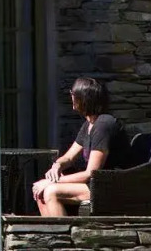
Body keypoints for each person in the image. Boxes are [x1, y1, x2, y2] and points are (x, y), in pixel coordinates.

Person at [32, 76, 132, 215]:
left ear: (84, 98)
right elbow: (69, 157)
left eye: (73, 93)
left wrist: (52, 182)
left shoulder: (103, 125)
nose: (71, 96)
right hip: (95, 185)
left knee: (51, 191)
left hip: (110, 187)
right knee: (40, 192)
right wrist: (57, 166)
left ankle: (62, 229)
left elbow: (90, 174)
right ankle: (52, 229)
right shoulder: (89, 125)